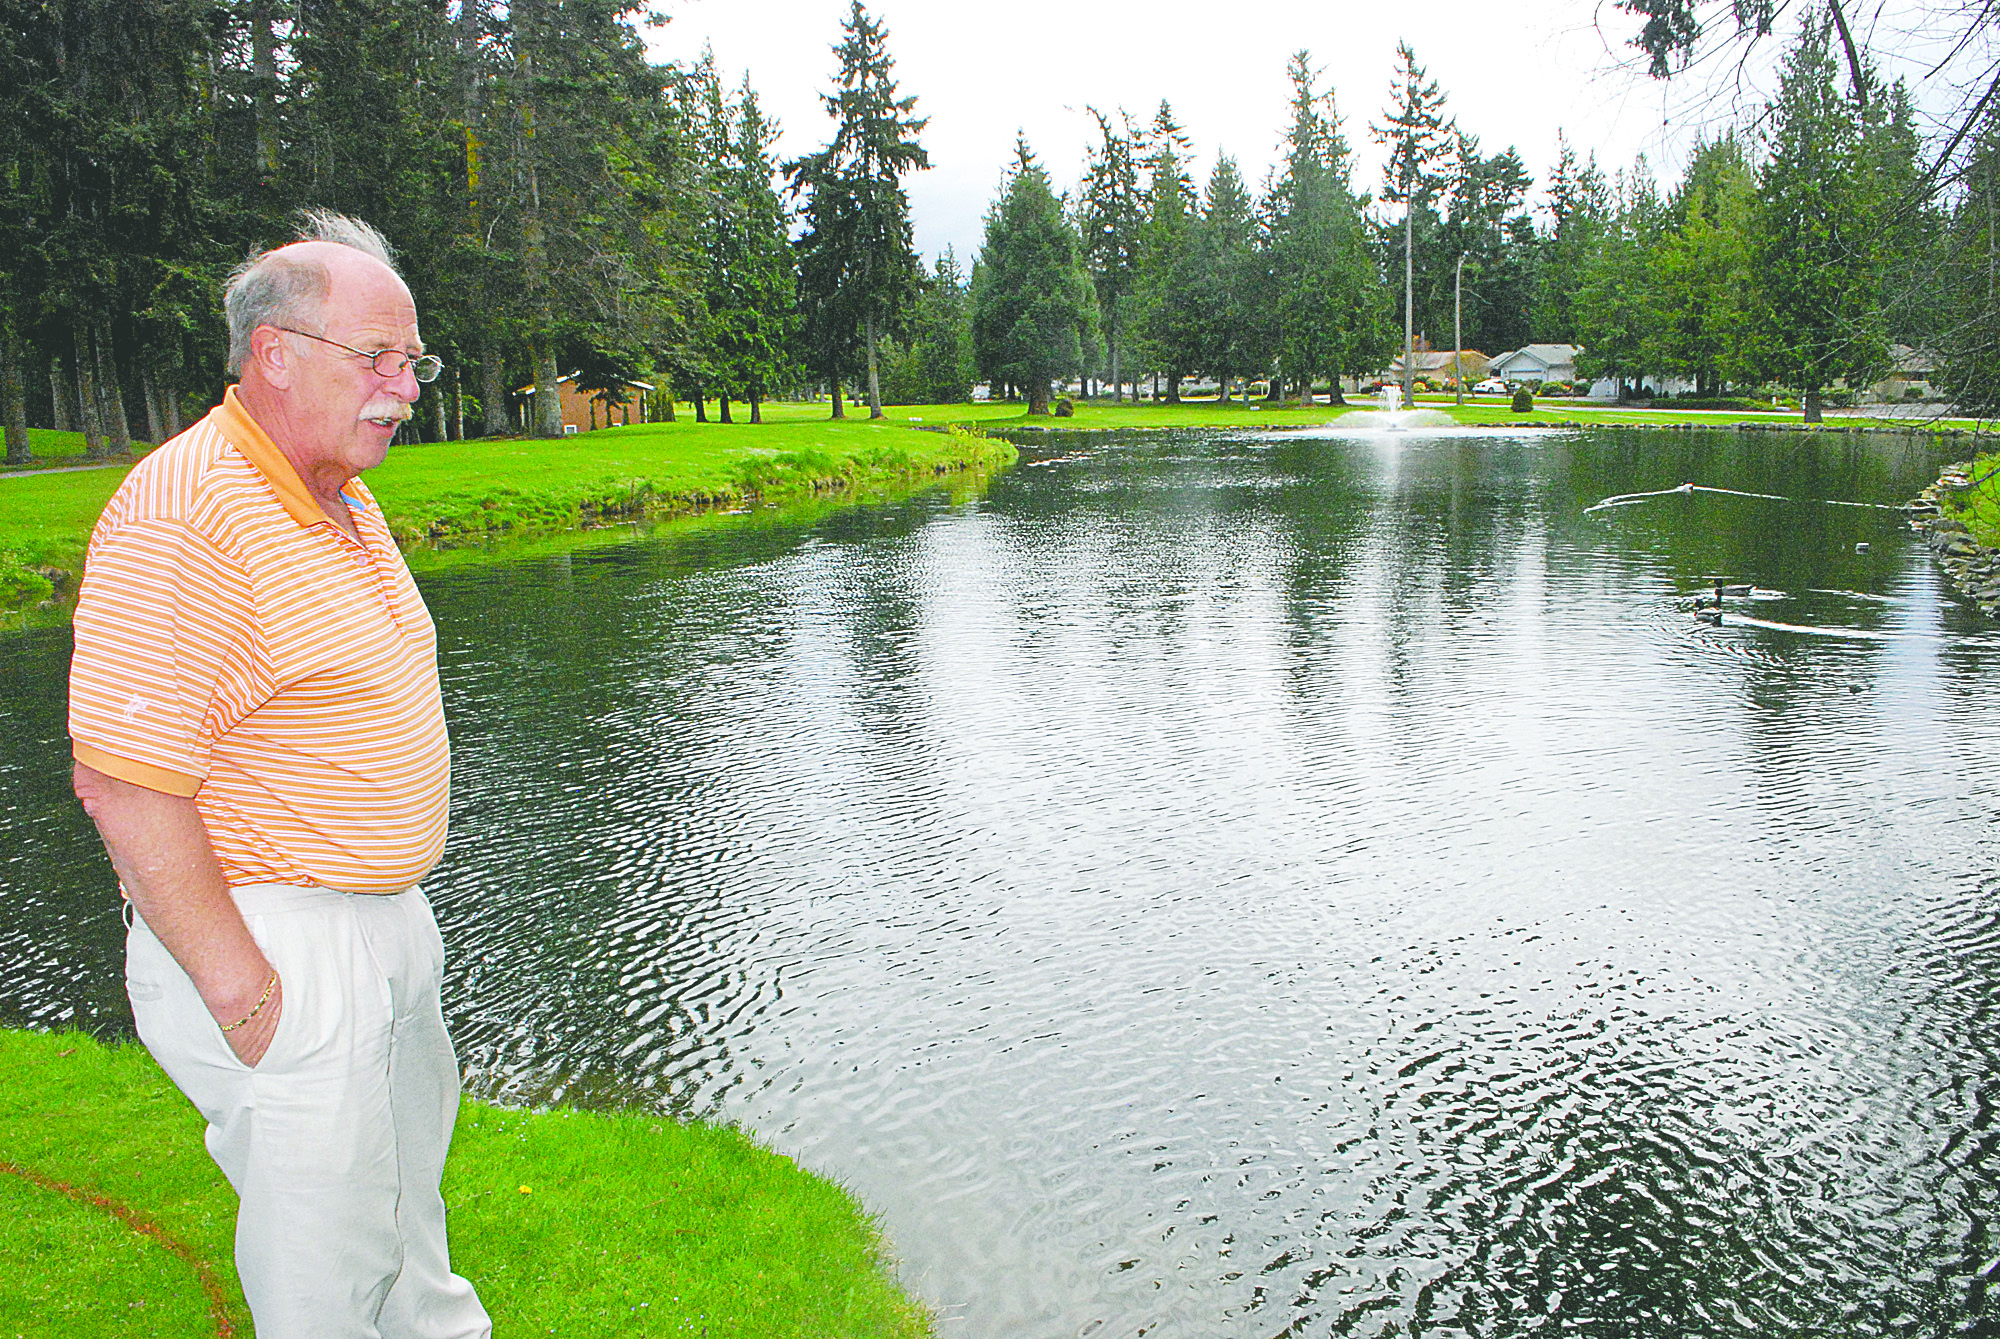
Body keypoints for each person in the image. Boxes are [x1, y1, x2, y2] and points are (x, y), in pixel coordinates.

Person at [67, 211, 491, 1338]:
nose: (406, 387)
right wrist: (241, 988)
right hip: (283, 937)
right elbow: (123, 779)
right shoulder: (186, 509)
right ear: (275, 354)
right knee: (325, 1273)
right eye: (380, 358)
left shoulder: (341, 498)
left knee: (405, 1227)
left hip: (377, 918)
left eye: (415, 361)